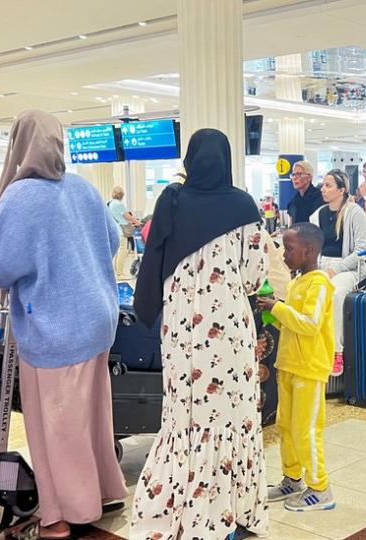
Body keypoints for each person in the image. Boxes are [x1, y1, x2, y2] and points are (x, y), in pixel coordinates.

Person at [0, 110, 128, 539]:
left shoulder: (21, 198)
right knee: (94, 417)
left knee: (57, 425)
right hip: (97, 319)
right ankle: (105, 490)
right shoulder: (83, 188)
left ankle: (66, 512)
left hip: (54, 327)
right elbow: (113, 240)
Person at [131, 128, 269, 539]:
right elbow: (254, 277)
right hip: (226, 327)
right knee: (230, 416)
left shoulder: (172, 201)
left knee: (184, 415)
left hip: (180, 328)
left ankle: (180, 509)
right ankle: (233, 510)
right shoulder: (244, 205)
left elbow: (152, 264)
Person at [257, 223, 336, 512]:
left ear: (310, 250)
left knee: (306, 430)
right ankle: (292, 478)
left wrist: (278, 307)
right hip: (288, 365)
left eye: (289, 249)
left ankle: (320, 488)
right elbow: (290, 323)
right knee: (286, 426)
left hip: (308, 369)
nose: (283, 254)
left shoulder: (320, 284)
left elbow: (310, 324)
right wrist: (272, 313)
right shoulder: (295, 282)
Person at [309, 169, 366, 376]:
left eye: (328, 185)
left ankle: (337, 352)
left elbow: (362, 250)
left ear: (342, 190)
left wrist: (338, 268)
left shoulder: (355, 213)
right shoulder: (317, 214)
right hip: (322, 266)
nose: (323, 189)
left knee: (334, 294)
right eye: (323, 185)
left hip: (350, 269)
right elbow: (313, 246)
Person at [108, 185, 141, 280]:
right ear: (121, 195)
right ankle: (120, 274)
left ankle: (117, 272)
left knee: (119, 251)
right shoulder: (119, 204)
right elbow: (128, 216)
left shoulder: (111, 203)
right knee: (123, 251)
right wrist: (137, 222)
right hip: (122, 230)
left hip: (116, 229)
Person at [286, 160, 323, 224]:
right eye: (293, 175)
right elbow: (291, 225)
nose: (294, 178)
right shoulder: (293, 201)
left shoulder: (319, 198)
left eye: (299, 174)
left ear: (309, 177)